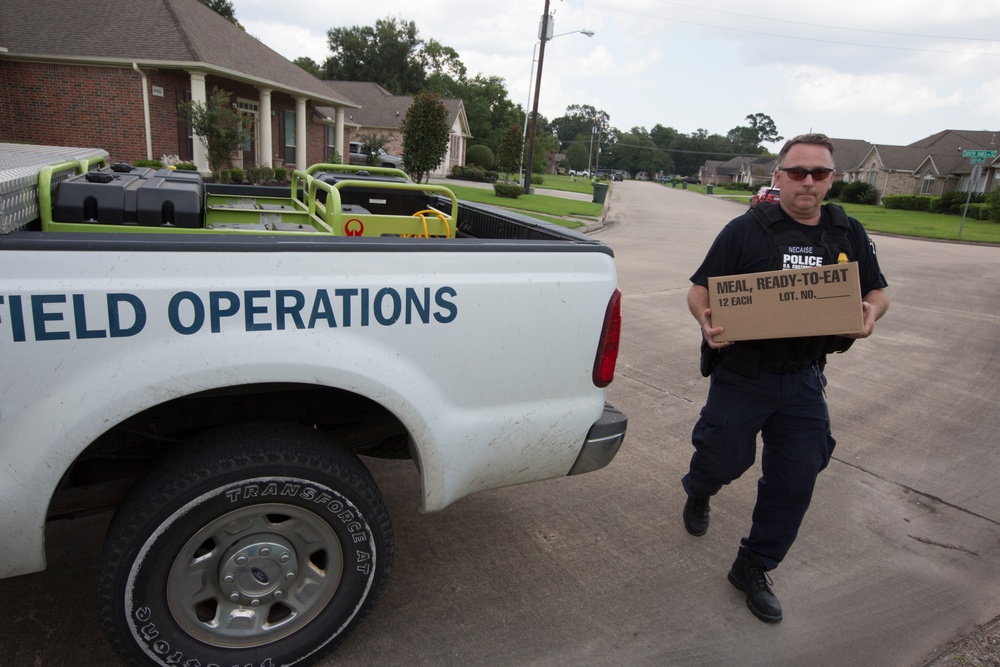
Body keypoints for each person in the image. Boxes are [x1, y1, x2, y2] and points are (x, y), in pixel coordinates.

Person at [682, 133, 889, 623]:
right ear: (778, 176)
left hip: (804, 381)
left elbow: (878, 290)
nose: (808, 182)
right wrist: (706, 321)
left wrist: (870, 312)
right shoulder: (744, 231)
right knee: (722, 458)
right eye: (798, 172)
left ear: (831, 180)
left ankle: (753, 564)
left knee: (797, 476)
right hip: (743, 375)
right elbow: (699, 291)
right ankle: (699, 489)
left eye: (819, 173)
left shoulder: (847, 233)